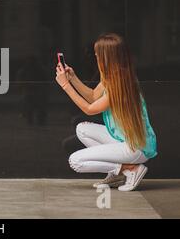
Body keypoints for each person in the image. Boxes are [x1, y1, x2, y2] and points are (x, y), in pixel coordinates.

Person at [55, 33, 157, 191]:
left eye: (97, 54)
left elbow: (89, 109)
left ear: (106, 57)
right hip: (126, 140)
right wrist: (72, 78)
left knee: (75, 161)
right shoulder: (113, 76)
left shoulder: (120, 84)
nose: (95, 57)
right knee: (82, 128)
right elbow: (93, 96)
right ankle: (119, 174)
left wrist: (65, 86)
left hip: (136, 147)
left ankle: (131, 169)